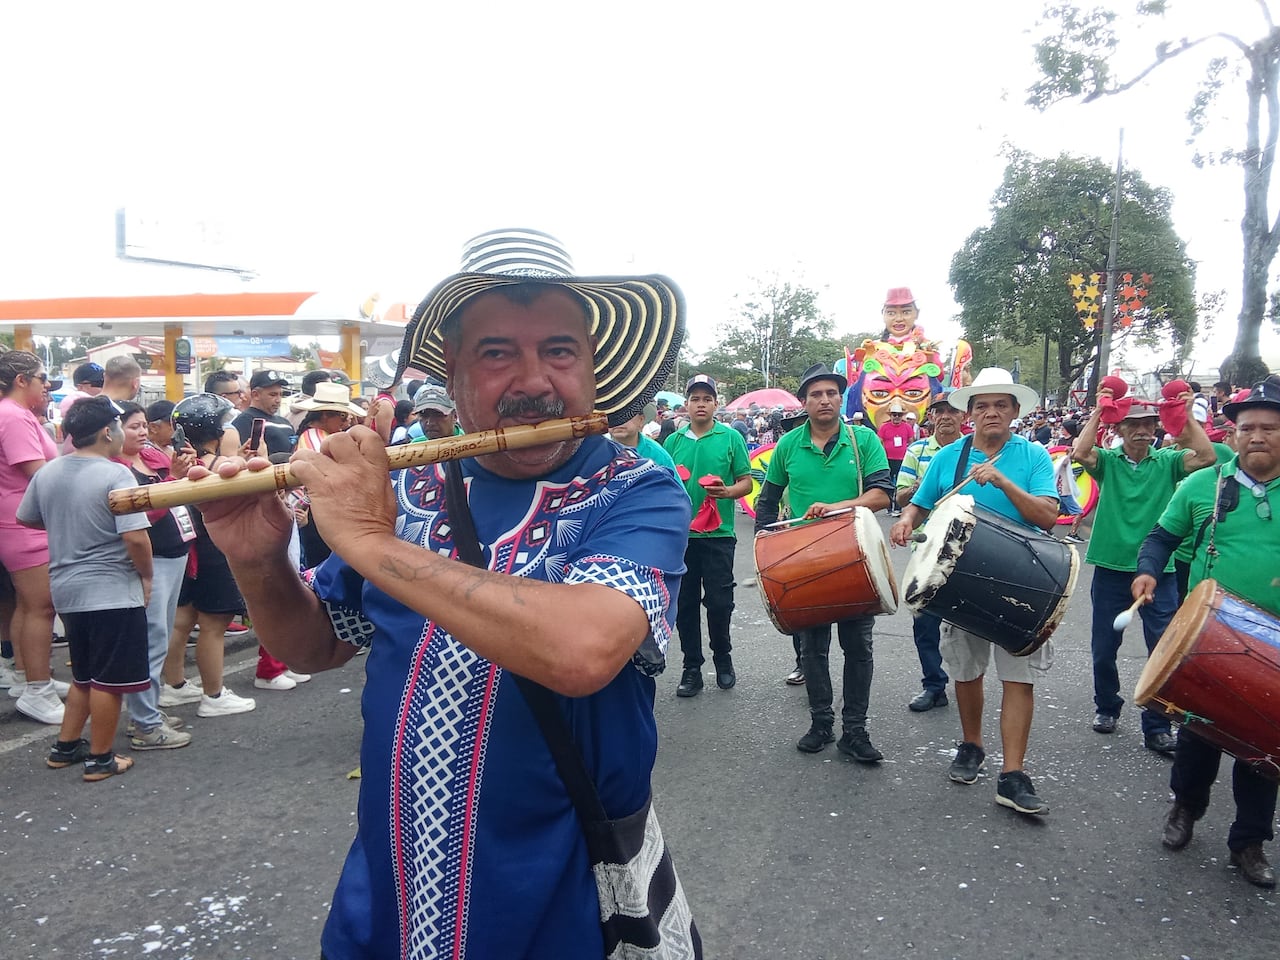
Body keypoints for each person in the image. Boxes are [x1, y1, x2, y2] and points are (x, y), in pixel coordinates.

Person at [187, 228, 698, 957]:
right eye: (497, 353)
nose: (533, 382)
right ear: (452, 373)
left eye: (559, 350)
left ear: (593, 368)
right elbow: (315, 643)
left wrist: (370, 541)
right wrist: (256, 558)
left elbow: (582, 652)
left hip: (564, 883)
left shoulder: (635, 488)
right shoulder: (404, 488)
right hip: (394, 879)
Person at [890, 367, 1059, 816]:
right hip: (958, 582)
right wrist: (907, 522)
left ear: (1015, 411)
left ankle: (1014, 774)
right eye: (981, 405)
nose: (991, 413)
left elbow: (1046, 516)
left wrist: (1003, 481)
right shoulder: (949, 458)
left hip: (1021, 583)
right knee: (966, 672)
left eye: (1000, 404)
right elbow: (919, 505)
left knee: (1017, 678)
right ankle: (971, 745)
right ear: (969, 413)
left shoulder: (1034, 456)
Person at [1135, 378, 1280, 889]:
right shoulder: (1201, 485)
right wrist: (1149, 570)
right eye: (1248, 428)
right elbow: (1160, 537)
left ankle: (1249, 841)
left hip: (1275, 641)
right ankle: (1185, 809)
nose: (1257, 436)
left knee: (1262, 745)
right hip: (1207, 631)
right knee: (1198, 736)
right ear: (1233, 434)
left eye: (1269, 427)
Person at [754, 364, 891, 760]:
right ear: (805, 401)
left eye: (831, 392)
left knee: (858, 647)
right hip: (804, 562)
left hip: (856, 557)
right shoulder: (788, 445)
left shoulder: (863, 439)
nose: (825, 400)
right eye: (816, 394)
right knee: (812, 649)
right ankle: (820, 724)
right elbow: (767, 501)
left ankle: (856, 732)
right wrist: (767, 549)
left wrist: (838, 507)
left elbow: (882, 495)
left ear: (840, 398)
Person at [1072, 389, 1216, 755]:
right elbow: (1080, 453)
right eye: (1133, 424)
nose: (1141, 431)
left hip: (1160, 570)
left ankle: (1157, 725)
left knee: (1162, 649)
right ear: (1120, 429)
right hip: (1110, 568)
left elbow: (1207, 455)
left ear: (1155, 428)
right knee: (1104, 648)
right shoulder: (1107, 461)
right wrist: (1098, 412)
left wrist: (1185, 414)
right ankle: (1107, 707)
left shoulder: (1167, 461)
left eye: (1148, 424)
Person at [18, 396, 152, 780]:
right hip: (111, 589)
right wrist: (146, 577)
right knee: (110, 682)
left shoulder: (48, 472)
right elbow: (137, 540)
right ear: (108, 431)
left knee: (85, 675)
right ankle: (100, 758)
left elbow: (26, 518)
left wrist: (69, 526)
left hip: (67, 589)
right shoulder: (116, 474)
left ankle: (66, 746)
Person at [159, 394, 257, 718]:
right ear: (215, 430)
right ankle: (213, 696)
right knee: (214, 625)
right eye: (226, 423)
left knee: (182, 620)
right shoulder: (223, 468)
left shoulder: (179, 462)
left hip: (188, 550)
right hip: (216, 551)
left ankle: (173, 686)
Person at [664, 374, 753, 696]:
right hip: (680, 537)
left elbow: (747, 481)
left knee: (719, 602)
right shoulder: (673, 442)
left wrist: (727, 491)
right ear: (686, 404)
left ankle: (723, 659)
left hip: (719, 535)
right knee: (684, 605)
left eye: (707, 399)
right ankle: (691, 667)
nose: (701, 404)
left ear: (716, 404)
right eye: (695, 399)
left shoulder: (731, 438)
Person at [115, 403, 193, 750]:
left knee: (158, 637)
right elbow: (145, 516)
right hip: (152, 561)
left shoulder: (153, 457)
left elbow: (182, 487)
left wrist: (186, 467)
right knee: (152, 638)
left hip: (174, 556)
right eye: (133, 427)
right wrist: (174, 479)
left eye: (144, 425)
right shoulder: (116, 470)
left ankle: (148, 710)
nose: (142, 432)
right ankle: (143, 721)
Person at [0, 350, 65, 724]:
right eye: (42, 378)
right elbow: (37, 473)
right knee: (41, 607)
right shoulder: (12, 415)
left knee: (29, 606)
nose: (47, 386)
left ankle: (32, 679)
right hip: (24, 524)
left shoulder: (18, 414)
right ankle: (37, 689)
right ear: (22, 380)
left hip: (21, 521)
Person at [895, 393, 965, 712]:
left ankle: (968, 686)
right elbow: (901, 498)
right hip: (927, 549)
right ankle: (934, 684)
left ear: (964, 415)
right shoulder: (917, 450)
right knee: (924, 622)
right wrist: (923, 486)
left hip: (969, 548)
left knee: (967, 628)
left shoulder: (974, 451)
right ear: (932, 417)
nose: (946, 416)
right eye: (940, 411)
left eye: (953, 411)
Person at [232, 370, 295, 458]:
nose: (278, 400)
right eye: (273, 395)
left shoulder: (285, 422)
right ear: (255, 395)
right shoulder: (245, 421)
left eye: (281, 395)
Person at [609, 412, 679, 477]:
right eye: (611, 415)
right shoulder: (600, 451)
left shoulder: (658, 455)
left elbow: (676, 488)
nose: (618, 420)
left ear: (641, 419)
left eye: (625, 414)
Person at [877, 401, 915, 516]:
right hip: (888, 459)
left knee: (900, 484)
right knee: (887, 484)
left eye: (899, 414)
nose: (897, 417)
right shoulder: (884, 427)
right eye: (894, 414)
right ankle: (889, 507)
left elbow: (911, 441)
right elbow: (880, 442)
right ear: (890, 416)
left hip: (902, 460)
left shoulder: (907, 427)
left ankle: (898, 508)